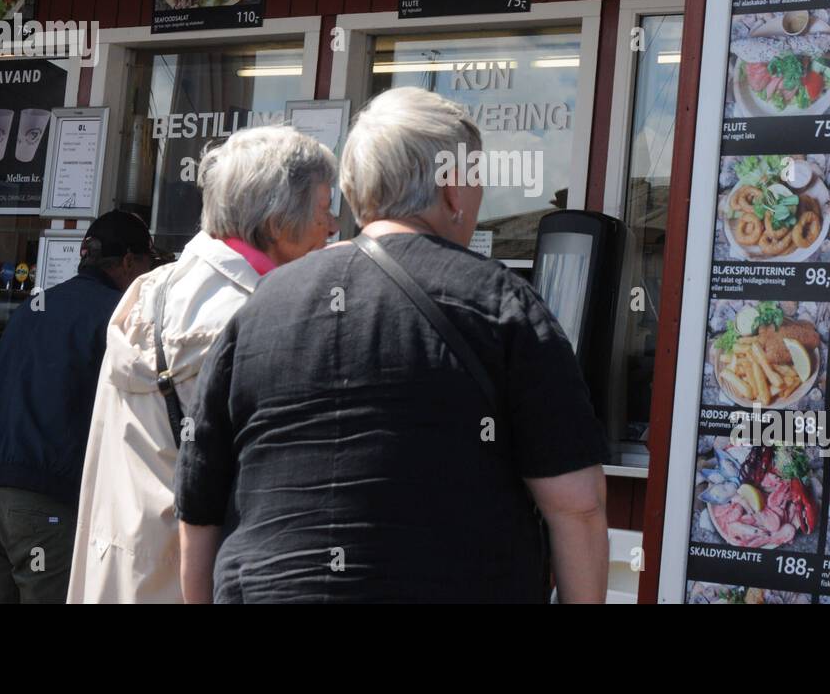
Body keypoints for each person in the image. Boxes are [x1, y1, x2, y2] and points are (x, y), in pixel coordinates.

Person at [176, 87, 610, 604]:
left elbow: (198, 510)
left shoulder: (259, 307)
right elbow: (577, 506)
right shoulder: (502, 304)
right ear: (451, 188)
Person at [67, 125, 338, 603]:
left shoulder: (153, 288)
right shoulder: (251, 318)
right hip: (202, 585)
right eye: (322, 209)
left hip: (124, 574)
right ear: (277, 222)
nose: (334, 225)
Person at [0, 210, 156, 604]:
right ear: (127, 262)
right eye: (146, 265)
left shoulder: (30, 311)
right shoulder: (116, 318)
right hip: (43, 509)